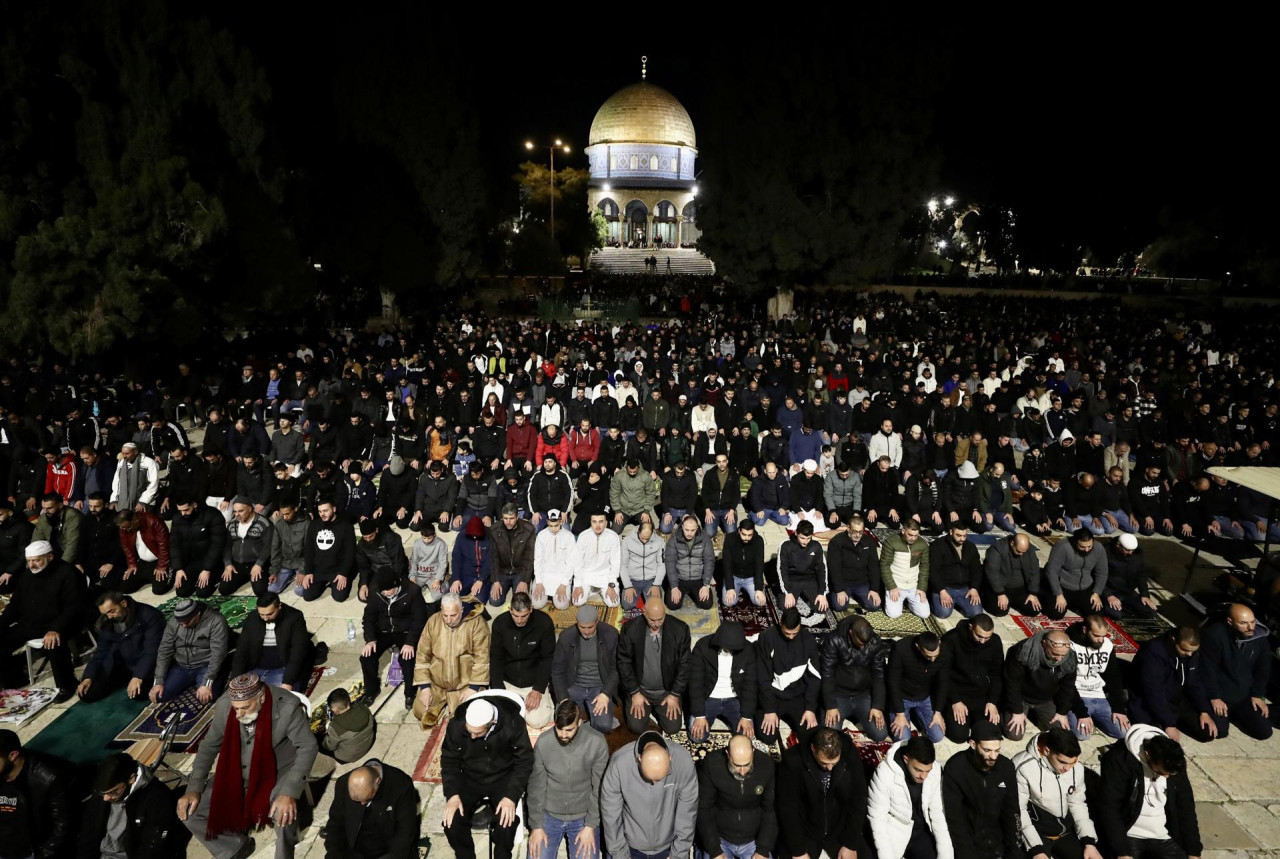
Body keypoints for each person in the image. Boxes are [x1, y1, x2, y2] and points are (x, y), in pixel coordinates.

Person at [178, 673, 319, 859]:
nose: (238, 715)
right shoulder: (226, 705)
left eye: (244, 708)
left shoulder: (287, 707)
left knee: (283, 814)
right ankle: (234, 847)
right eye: (236, 709)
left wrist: (289, 792)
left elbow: (308, 747)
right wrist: (194, 787)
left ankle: (285, 852)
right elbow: (209, 746)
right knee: (189, 812)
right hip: (238, 770)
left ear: (261, 698)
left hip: (277, 771)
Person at [439, 694, 534, 859]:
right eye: (469, 732)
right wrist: (452, 794)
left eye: (477, 733)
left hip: (503, 777)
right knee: (451, 822)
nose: (472, 737)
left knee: (506, 823)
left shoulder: (512, 723)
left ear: (492, 723)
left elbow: (525, 761)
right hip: (470, 777)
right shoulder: (457, 725)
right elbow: (449, 761)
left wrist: (511, 796)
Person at [1094, 725, 1203, 859]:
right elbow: (1109, 806)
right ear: (1147, 755)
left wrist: (1194, 851)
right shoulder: (1119, 759)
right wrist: (1121, 851)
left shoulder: (1173, 763)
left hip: (1163, 834)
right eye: (1160, 772)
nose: (1167, 777)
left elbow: (1185, 806)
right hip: (1129, 833)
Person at [0, 540, 87, 702]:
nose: (32, 565)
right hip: (32, 623)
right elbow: (15, 606)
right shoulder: (27, 576)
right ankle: (15, 680)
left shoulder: (68, 573)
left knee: (53, 642)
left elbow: (73, 607)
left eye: (36, 560)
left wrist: (56, 628)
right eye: (29, 561)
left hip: (64, 622)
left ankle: (67, 685)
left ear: (50, 556)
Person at [527, 699, 610, 859]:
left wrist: (590, 825)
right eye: (559, 729)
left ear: (579, 723)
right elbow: (536, 786)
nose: (563, 735)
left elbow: (600, 788)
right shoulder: (544, 742)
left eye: (569, 730)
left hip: (583, 817)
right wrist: (536, 826)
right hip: (548, 815)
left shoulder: (597, 742)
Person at [600, 730, 698, 859]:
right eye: (649, 778)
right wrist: (619, 854)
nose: (654, 783)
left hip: (668, 848)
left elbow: (687, 813)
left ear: (670, 758)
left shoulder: (683, 761)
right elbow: (611, 814)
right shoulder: (620, 763)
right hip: (629, 847)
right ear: (639, 759)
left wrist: (678, 854)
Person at [777, 726, 869, 859]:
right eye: (824, 763)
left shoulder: (850, 754)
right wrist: (799, 851)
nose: (830, 768)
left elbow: (858, 799)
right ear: (813, 749)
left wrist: (850, 844)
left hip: (839, 829)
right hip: (806, 830)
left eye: (834, 764)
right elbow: (788, 808)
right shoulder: (793, 760)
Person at [1011, 727, 1102, 859]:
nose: (1068, 768)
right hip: (1037, 834)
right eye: (1063, 762)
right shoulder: (1022, 766)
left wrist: (1089, 842)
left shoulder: (1076, 768)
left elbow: (1077, 803)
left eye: (1073, 762)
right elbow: (1019, 810)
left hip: (1066, 831)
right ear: (1047, 750)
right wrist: (1036, 849)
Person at [79, 751, 190, 857]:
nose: (106, 798)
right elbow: (88, 834)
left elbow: (152, 848)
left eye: (114, 792)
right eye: (103, 794)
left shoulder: (157, 798)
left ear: (131, 779)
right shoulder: (104, 792)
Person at [941, 720, 1022, 859]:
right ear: (973, 744)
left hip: (999, 841)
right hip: (970, 843)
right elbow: (955, 819)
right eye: (987, 750)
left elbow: (1012, 812)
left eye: (997, 750)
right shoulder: (956, 768)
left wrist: (1015, 851)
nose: (993, 756)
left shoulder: (1006, 767)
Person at [411, 592, 491, 727]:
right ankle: (442, 703)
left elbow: (482, 658)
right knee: (419, 711)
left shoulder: (477, 624)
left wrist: (473, 687)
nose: (449, 620)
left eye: (453, 615)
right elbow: (422, 655)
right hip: (437, 685)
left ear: (461, 610)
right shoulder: (433, 622)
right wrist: (425, 687)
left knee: (470, 716)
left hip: (465, 686)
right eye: (445, 615)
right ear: (441, 610)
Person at [868, 734, 953, 859]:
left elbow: (938, 814)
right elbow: (877, 819)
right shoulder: (884, 773)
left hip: (922, 831)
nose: (923, 776)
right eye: (918, 770)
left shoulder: (935, 770)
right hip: (894, 828)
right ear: (906, 759)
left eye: (927, 771)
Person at [1197, 602, 1273, 740]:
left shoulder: (1259, 637)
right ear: (1230, 621)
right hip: (1221, 693)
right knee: (1218, 732)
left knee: (1264, 732)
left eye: (1252, 622)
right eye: (1243, 623)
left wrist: (1257, 694)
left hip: (1243, 695)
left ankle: (1237, 716)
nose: (1250, 627)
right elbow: (1207, 668)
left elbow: (1263, 669)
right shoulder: (1214, 635)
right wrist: (1214, 697)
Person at [1127, 626, 1215, 743]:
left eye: (1192, 651)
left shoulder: (1191, 652)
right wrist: (1169, 724)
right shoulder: (1153, 652)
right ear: (1173, 640)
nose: (1189, 654)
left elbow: (1194, 681)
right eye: (1184, 650)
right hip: (1148, 701)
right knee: (1154, 739)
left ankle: (1174, 720)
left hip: (1177, 699)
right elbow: (1154, 691)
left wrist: (1204, 710)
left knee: (1207, 732)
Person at [696, 734, 778, 859]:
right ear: (728, 754)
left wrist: (763, 849)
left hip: (754, 840)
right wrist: (714, 850)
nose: (742, 771)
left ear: (753, 752)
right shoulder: (711, 764)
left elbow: (771, 810)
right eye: (736, 765)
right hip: (720, 838)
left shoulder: (766, 765)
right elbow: (704, 809)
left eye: (747, 764)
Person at [618, 598, 691, 735]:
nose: (656, 624)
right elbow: (624, 662)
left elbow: (685, 665)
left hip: (667, 692)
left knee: (673, 728)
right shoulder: (631, 629)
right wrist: (634, 692)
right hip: (640, 690)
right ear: (644, 613)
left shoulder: (680, 630)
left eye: (660, 619)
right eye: (652, 620)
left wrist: (674, 694)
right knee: (635, 727)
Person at [0, 729, 76, 857]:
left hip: (30, 852)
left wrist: (42, 855)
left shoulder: (49, 777)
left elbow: (62, 826)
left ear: (13, 755)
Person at [77, 591, 164, 703]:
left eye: (112, 611)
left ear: (123, 603)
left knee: (138, 693)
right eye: (105, 614)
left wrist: (138, 676)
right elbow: (101, 652)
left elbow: (152, 652)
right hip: (122, 664)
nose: (109, 617)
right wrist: (88, 677)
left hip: (145, 664)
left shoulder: (149, 616)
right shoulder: (107, 621)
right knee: (87, 693)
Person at [324, 758, 420, 859]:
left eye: (367, 798)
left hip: (388, 851)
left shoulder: (401, 784)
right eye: (358, 801)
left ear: (378, 781)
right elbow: (335, 824)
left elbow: (405, 833)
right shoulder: (342, 783)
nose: (362, 803)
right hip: (355, 850)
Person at [1002, 629, 1086, 741]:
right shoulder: (1022, 651)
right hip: (1022, 697)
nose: (1059, 659)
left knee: (1060, 732)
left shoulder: (1069, 657)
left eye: (1063, 655)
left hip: (1046, 699)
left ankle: (1036, 715)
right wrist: (1017, 711)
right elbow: (1012, 684)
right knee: (1015, 734)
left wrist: (1062, 712)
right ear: (1044, 644)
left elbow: (1067, 687)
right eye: (1055, 654)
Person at [489, 591, 556, 728]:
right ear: (510, 610)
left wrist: (538, 689)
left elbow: (547, 658)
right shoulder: (500, 623)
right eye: (515, 615)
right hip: (507, 681)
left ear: (531, 609)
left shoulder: (544, 623)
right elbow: (496, 659)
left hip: (533, 683)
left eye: (524, 616)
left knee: (538, 722)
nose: (519, 620)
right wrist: (500, 692)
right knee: (499, 719)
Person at [755, 606, 821, 742]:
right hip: (773, 694)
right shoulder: (767, 637)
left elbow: (815, 677)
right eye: (787, 633)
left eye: (794, 634)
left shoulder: (808, 640)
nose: (791, 637)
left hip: (796, 695)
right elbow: (762, 677)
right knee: (767, 736)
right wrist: (769, 709)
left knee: (811, 733)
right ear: (780, 623)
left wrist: (810, 708)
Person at [552, 604, 620, 733]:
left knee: (604, 726)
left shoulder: (611, 634)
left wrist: (606, 693)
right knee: (563, 722)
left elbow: (616, 667)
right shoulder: (566, 637)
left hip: (599, 687)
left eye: (590, 627)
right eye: (582, 627)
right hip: (574, 686)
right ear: (577, 623)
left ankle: (591, 719)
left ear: (597, 622)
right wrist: (563, 698)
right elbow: (557, 670)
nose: (587, 631)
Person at [821, 614, 891, 740]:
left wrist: (877, 706)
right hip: (839, 694)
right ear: (850, 633)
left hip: (862, 695)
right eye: (860, 644)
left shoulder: (874, 642)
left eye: (866, 644)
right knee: (829, 735)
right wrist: (830, 706)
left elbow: (878, 675)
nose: (863, 647)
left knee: (880, 735)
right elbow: (827, 674)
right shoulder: (834, 639)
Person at [149, 597, 231, 704]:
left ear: (197, 614)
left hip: (205, 663)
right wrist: (158, 681)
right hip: (182, 665)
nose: (183, 625)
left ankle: (219, 673)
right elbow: (164, 650)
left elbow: (218, 654)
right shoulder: (175, 622)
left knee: (208, 697)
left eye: (186, 622)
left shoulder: (216, 621)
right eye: (180, 623)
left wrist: (206, 683)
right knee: (159, 696)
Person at [937, 615, 1004, 743]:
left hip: (981, 695)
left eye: (987, 637)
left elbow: (997, 674)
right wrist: (955, 700)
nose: (983, 641)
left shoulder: (995, 641)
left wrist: (992, 701)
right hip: (957, 693)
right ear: (970, 628)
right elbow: (943, 673)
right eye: (979, 636)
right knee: (958, 736)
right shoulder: (952, 639)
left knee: (989, 733)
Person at [688, 621, 756, 741]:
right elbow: (695, 683)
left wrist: (746, 717)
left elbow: (750, 686)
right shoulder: (703, 646)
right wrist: (699, 715)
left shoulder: (748, 650)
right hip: (708, 697)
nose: (730, 651)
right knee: (697, 737)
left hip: (735, 699)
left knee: (746, 738)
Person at [1067, 614, 1131, 740]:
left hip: (1099, 694)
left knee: (1123, 732)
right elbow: (1066, 682)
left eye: (1103, 636)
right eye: (1096, 636)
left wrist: (1119, 708)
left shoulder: (1106, 645)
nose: (1101, 640)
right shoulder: (1069, 645)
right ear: (1085, 630)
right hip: (1077, 695)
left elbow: (1114, 676)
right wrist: (1082, 713)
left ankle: (1097, 717)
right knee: (1082, 735)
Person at [887, 632, 946, 743]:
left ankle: (916, 716)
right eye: (929, 656)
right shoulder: (901, 649)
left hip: (924, 696)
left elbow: (943, 682)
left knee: (937, 736)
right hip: (902, 696)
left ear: (939, 643)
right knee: (903, 739)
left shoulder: (944, 651)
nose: (933, 660)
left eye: (935, 656)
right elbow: (893, 681)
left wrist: (938, 712)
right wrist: (900, 714)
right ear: (918, 647)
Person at [170, 496, 229, 599]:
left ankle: (216, 578)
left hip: (211, 563)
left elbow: (217, 544)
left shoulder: (212, 515)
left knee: (203, 593)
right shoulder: (177, 517)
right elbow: (174, 544)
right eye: (180, 511)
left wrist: (207, 569)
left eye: (186, 510)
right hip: (190, 562)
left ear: (195, 505)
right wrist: (178, 568)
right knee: (182, 592)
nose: (183, 513)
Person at [1043, 528, 1108, 620]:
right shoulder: (1062, 546)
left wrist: (1096, 592)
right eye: (1082, 547)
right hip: (1063, 586)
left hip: (1085, 587)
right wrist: (1058, 594)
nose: (1086, 550)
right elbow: (1052, 571)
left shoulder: (1098, 548)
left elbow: (1102, 572)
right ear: (1075, 542)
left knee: (1097, 615)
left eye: (1089, 546)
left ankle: (1074, 604)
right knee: (1055, 614)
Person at [299, 498, 356, 602]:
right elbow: (309, 550)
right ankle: (324, 583)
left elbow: (350, 553)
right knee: (308, 596)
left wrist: (344, 573)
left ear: (334, 509)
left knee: (339, 597)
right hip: (318, 570)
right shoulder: (314, 525)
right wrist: (308, 572)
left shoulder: (346, 526)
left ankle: (337, 582)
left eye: (325, 511)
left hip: (337, 570)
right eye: (320, 511)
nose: (322, 514)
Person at [826, 513, 882, 611]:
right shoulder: (836, 542)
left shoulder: (869, 542)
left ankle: (858, 595)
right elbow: (834, 568)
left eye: (860, 532)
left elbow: (874, 567)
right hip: (844, 583)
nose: (857, 535)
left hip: (862, 582)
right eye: (854, 531)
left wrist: (874, 589)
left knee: (874, 606)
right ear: (848, 528)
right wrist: (839, 590)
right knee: (839, 607)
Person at [777, 519, 830, 621]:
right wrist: (787, 592)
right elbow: (782, 569)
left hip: (809, 579)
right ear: (796, 533)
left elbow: (822, 569)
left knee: (822, 608)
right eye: (802, 538)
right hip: (792, 579)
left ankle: (806, 596)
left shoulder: (816, 546)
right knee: (785, 607)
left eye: (808, 538)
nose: (805, 542)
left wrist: (822, 593)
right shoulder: (785, 545)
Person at [930, 523, 984, 619]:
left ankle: (957, 603)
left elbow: (976, 569)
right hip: (944, 588)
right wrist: (941, 590)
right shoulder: (938, 545)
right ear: (951, 532)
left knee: (976, 613)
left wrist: (974, 588)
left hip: (964, 589)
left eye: (964, 536)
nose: (962, 539)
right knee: (943, 613)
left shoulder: (970, 547)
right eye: (958, 535)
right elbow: (933, 571)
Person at [981, 533, 1043, 617]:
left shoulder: (1029, 550)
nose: (1021, 554)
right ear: (1012, 543)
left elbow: (1034, 571)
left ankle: (1013, 602)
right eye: (1018, 551)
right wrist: (1000, 593)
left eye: (1023, 552)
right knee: (1000, 610)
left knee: (1033, 610)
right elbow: (992, 573)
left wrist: (1033, 593)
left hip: (1020, 588)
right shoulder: (997, 549)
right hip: (1001, 587)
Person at [223, 497, 275, 597]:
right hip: (237, 564)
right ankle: (246, 577)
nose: (237, 514)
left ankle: (252, 576)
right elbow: (227, 546)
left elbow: (268, 546)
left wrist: (259, 564)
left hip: (257, 563)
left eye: (241, 511)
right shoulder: (232, 524)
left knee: (260, 591)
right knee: (224, 590)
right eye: (235, 511)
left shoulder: (264, 523)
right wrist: (228, 564)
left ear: (250, 509)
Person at [115, 507, 174, 595]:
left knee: (159, 590)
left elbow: (164, 545)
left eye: (128, 527)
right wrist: (132, 564)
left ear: (135, 520)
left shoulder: (154, 521)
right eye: (123, 528)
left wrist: (162, 565)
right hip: (142, 562)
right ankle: (149, 577)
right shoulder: (124, 527)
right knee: (125, 588)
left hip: (159, 560)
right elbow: (126, 546)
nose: (127, 530)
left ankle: (172, 571)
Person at [880, 519, 932, 619]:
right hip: (897, 585)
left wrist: (922, 587)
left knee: (924, 614)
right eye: (910, 535)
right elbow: (884, 565)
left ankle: (910, 603)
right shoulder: (890, 542)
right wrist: (891, 586)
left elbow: (924, 566)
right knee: (893, 614)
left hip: (913, 585)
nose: (913, 538)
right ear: (903, 531)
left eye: (916, 535)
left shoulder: (922, 544)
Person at [665, 514, 716, 610]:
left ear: (697, 528)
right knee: (672, 605)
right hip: (680, 578)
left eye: (692, 530)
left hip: (698, 579)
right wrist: (674, 586)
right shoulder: (674, 539)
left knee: (707, 604)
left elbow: (709, 561)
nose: (689, 533)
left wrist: (706, 584)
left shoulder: (705, 539)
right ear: (682, 527)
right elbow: (670, 562)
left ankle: (693, 591)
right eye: (687, 530)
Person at [571, 512, 622, 607]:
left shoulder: (613, 537)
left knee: (614, 603)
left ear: (606, 523)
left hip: (605, 576)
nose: (597, 525)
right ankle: (592, 590)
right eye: (594, 522)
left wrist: (611, 585)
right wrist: (578, 584)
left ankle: (597, 590)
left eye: (601, 521)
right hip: (586, 575)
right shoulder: (583, 536)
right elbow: (577, 562)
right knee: (577, 602)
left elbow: (615, 563)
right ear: (591, 522)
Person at [1102, 533, 1157, 619]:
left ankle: (1125, 607)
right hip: (1110, 590)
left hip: (1127, 592)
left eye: (1132, 550)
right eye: (1127, 550)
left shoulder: (1138, 554)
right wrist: (1108, 595)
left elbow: (1141, 575)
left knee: (1150, 612)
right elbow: (1097, 576)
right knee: (1115, 614)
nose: (1131, 553)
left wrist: (1144, 595)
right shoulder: (1105, 551)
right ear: (1118, 545)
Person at [530, 509, 576, 609]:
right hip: (544, 574)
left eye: (556, 525)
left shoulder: (569, 537)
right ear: (547, 522)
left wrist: (563, 584)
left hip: (562, 575)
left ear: (560, 522)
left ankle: (560, 592)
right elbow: (537, 560)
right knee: (536, 605)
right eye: (551, 526)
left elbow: (571, 563)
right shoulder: (541, 536)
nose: (553, 529)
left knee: (562, 605)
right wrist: (539, 582)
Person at [490, 503, 536, 602]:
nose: (508, 522)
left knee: (520, 602)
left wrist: (524, 580)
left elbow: (529, 558)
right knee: (495, 602)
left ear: (517, 517)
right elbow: (493, 557)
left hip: (520, 571)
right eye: (505, 518)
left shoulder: (528, 529)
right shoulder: (494, 530)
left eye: (511, 518)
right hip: (503, 571)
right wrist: (496, 580)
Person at [619, 518, 666, 610]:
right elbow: (623, 565)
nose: (644, 541)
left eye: (647, 539)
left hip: (651, 580)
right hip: (633, 579)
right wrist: (627, 586)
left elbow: (662, 564)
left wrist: (656, 584)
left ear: (652, 533)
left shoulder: (660, 541)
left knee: (655, 605)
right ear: (638, 531)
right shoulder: (626, 541)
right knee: (627, 605)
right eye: (642, 538)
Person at [321, 688, 376, 764]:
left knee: (318, 741)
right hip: (368, 744)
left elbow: (330, 747)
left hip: (348, 757)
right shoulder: (364, 708)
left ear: (335, 710)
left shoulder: (335, 727)